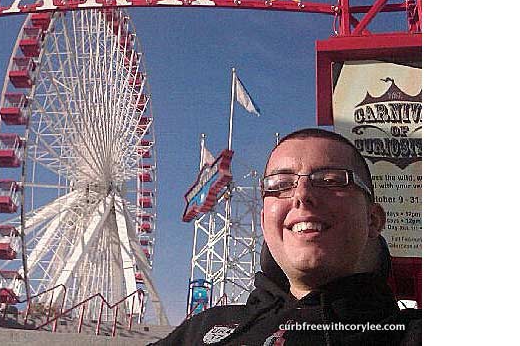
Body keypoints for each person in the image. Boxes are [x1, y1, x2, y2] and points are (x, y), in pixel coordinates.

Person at [151, 128, 421, 345]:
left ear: (372, 220)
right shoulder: (201, 331)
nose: (302, 195)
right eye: (280, 185)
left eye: (329, 180)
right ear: (265, 223)